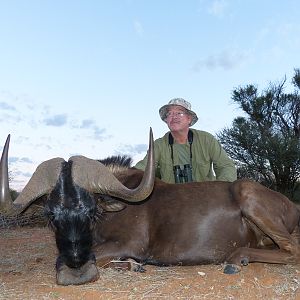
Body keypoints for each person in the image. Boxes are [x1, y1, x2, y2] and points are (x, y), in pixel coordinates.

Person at [135, 98, 237, 183]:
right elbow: (142, 168)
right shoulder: (158, 144)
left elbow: (226, 166)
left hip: (205, 198)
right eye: (169, 114)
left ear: (189, 119)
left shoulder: (207, 139)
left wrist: (220, 190)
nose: (173, 117)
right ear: (166, 120)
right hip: (171, 200)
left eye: (179, 113)